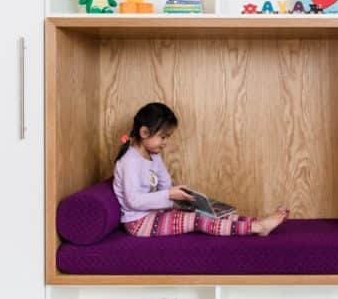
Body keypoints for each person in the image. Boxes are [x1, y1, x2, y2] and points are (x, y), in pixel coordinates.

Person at [112, 102, 288, 238]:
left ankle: (257, 222)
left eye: (168, 137)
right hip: (138, 223)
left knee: (205, 212)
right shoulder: (130, 161)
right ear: (144, 132)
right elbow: (134, 200)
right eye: (163, 137)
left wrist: (180, 194)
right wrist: (168, 195)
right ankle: (256, 228)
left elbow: (165, 183)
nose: (165, 142)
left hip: (155, 213)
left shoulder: (153, 155)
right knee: (199, 220)